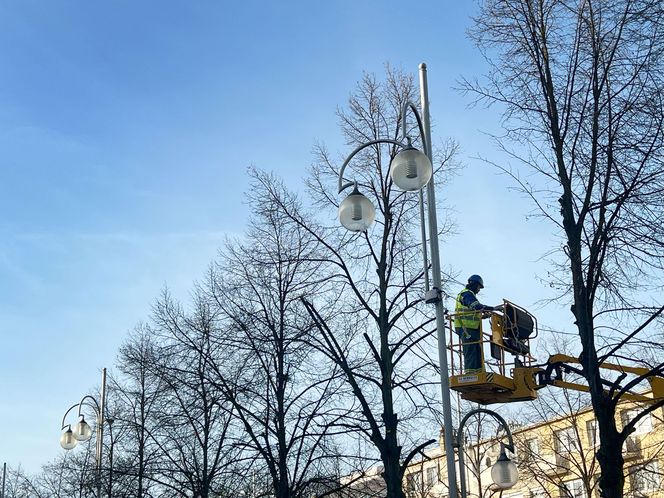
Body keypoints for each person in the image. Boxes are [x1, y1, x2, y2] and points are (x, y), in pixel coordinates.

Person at [454, 274, 498, 373]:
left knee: (477, 350)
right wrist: (493, 308)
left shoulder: (470, 295)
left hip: (472, 328)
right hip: (465, 327)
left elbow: (472, 312)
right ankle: (470, 373)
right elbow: (476, 306)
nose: (479, 290)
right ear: (474, 284)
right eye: (479, 287)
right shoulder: (466, 294)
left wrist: (482, 316)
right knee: (470, 350)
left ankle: (479, 372)